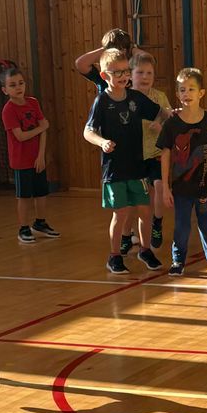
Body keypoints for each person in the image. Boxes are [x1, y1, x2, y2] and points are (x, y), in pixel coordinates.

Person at [82, 48, 161, 272]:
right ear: (104, 75)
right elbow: (88, 131)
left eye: (126, 71)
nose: (123, 76)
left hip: (137, 167)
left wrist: (169, 118)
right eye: (117, 72)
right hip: (115, 170)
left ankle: (145, 250)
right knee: (122, 213)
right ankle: (114, 256)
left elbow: (159, 113)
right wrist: (102, 142)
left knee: (145, 210)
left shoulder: (136, 98)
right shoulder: (101, 101)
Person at [74, 27, 146, 253]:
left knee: (135, 195)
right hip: (111, 139)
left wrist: (132, 50)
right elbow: (80, 63)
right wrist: (105, 51)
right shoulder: (104, 77)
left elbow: (148, 59)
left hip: (132, 138)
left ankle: (128, 234)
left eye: (124, 50)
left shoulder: (129, 74)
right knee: (121, 200)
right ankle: (123, 238)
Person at [157, 66, 207, 276]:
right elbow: (165, 154)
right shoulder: (172, 124)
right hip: (181, 188)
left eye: (191, 89)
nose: (186, 94)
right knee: (181, 226)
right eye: (182, 90)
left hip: (206, 185)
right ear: (177, 94)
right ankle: (178, 260)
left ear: (201, 93)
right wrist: (165, 186)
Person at [0, 64, 58, 243]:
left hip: (37, 158)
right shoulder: (8, 110)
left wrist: (41, 155)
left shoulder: (33, 102)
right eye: (13, 85)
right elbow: (21, 136)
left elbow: (44, 130)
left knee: (41, 193)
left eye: (21, 83)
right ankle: (23, 228)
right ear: (5, 90)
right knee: (24, 196)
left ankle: (40, 223)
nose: (18, 87)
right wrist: (41, 127)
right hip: (21, 160)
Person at [131, 49, 172, 248]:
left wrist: (161, 125)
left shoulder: (159, 97)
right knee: (140, 196)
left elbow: (170, 119)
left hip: (155, 152)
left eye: (149, 73)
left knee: (159, 185)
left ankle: (157, 222)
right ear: (130, 75)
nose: (145, 77)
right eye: (140, 73)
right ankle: (131, 233)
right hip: (135, 154)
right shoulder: (127, 98)